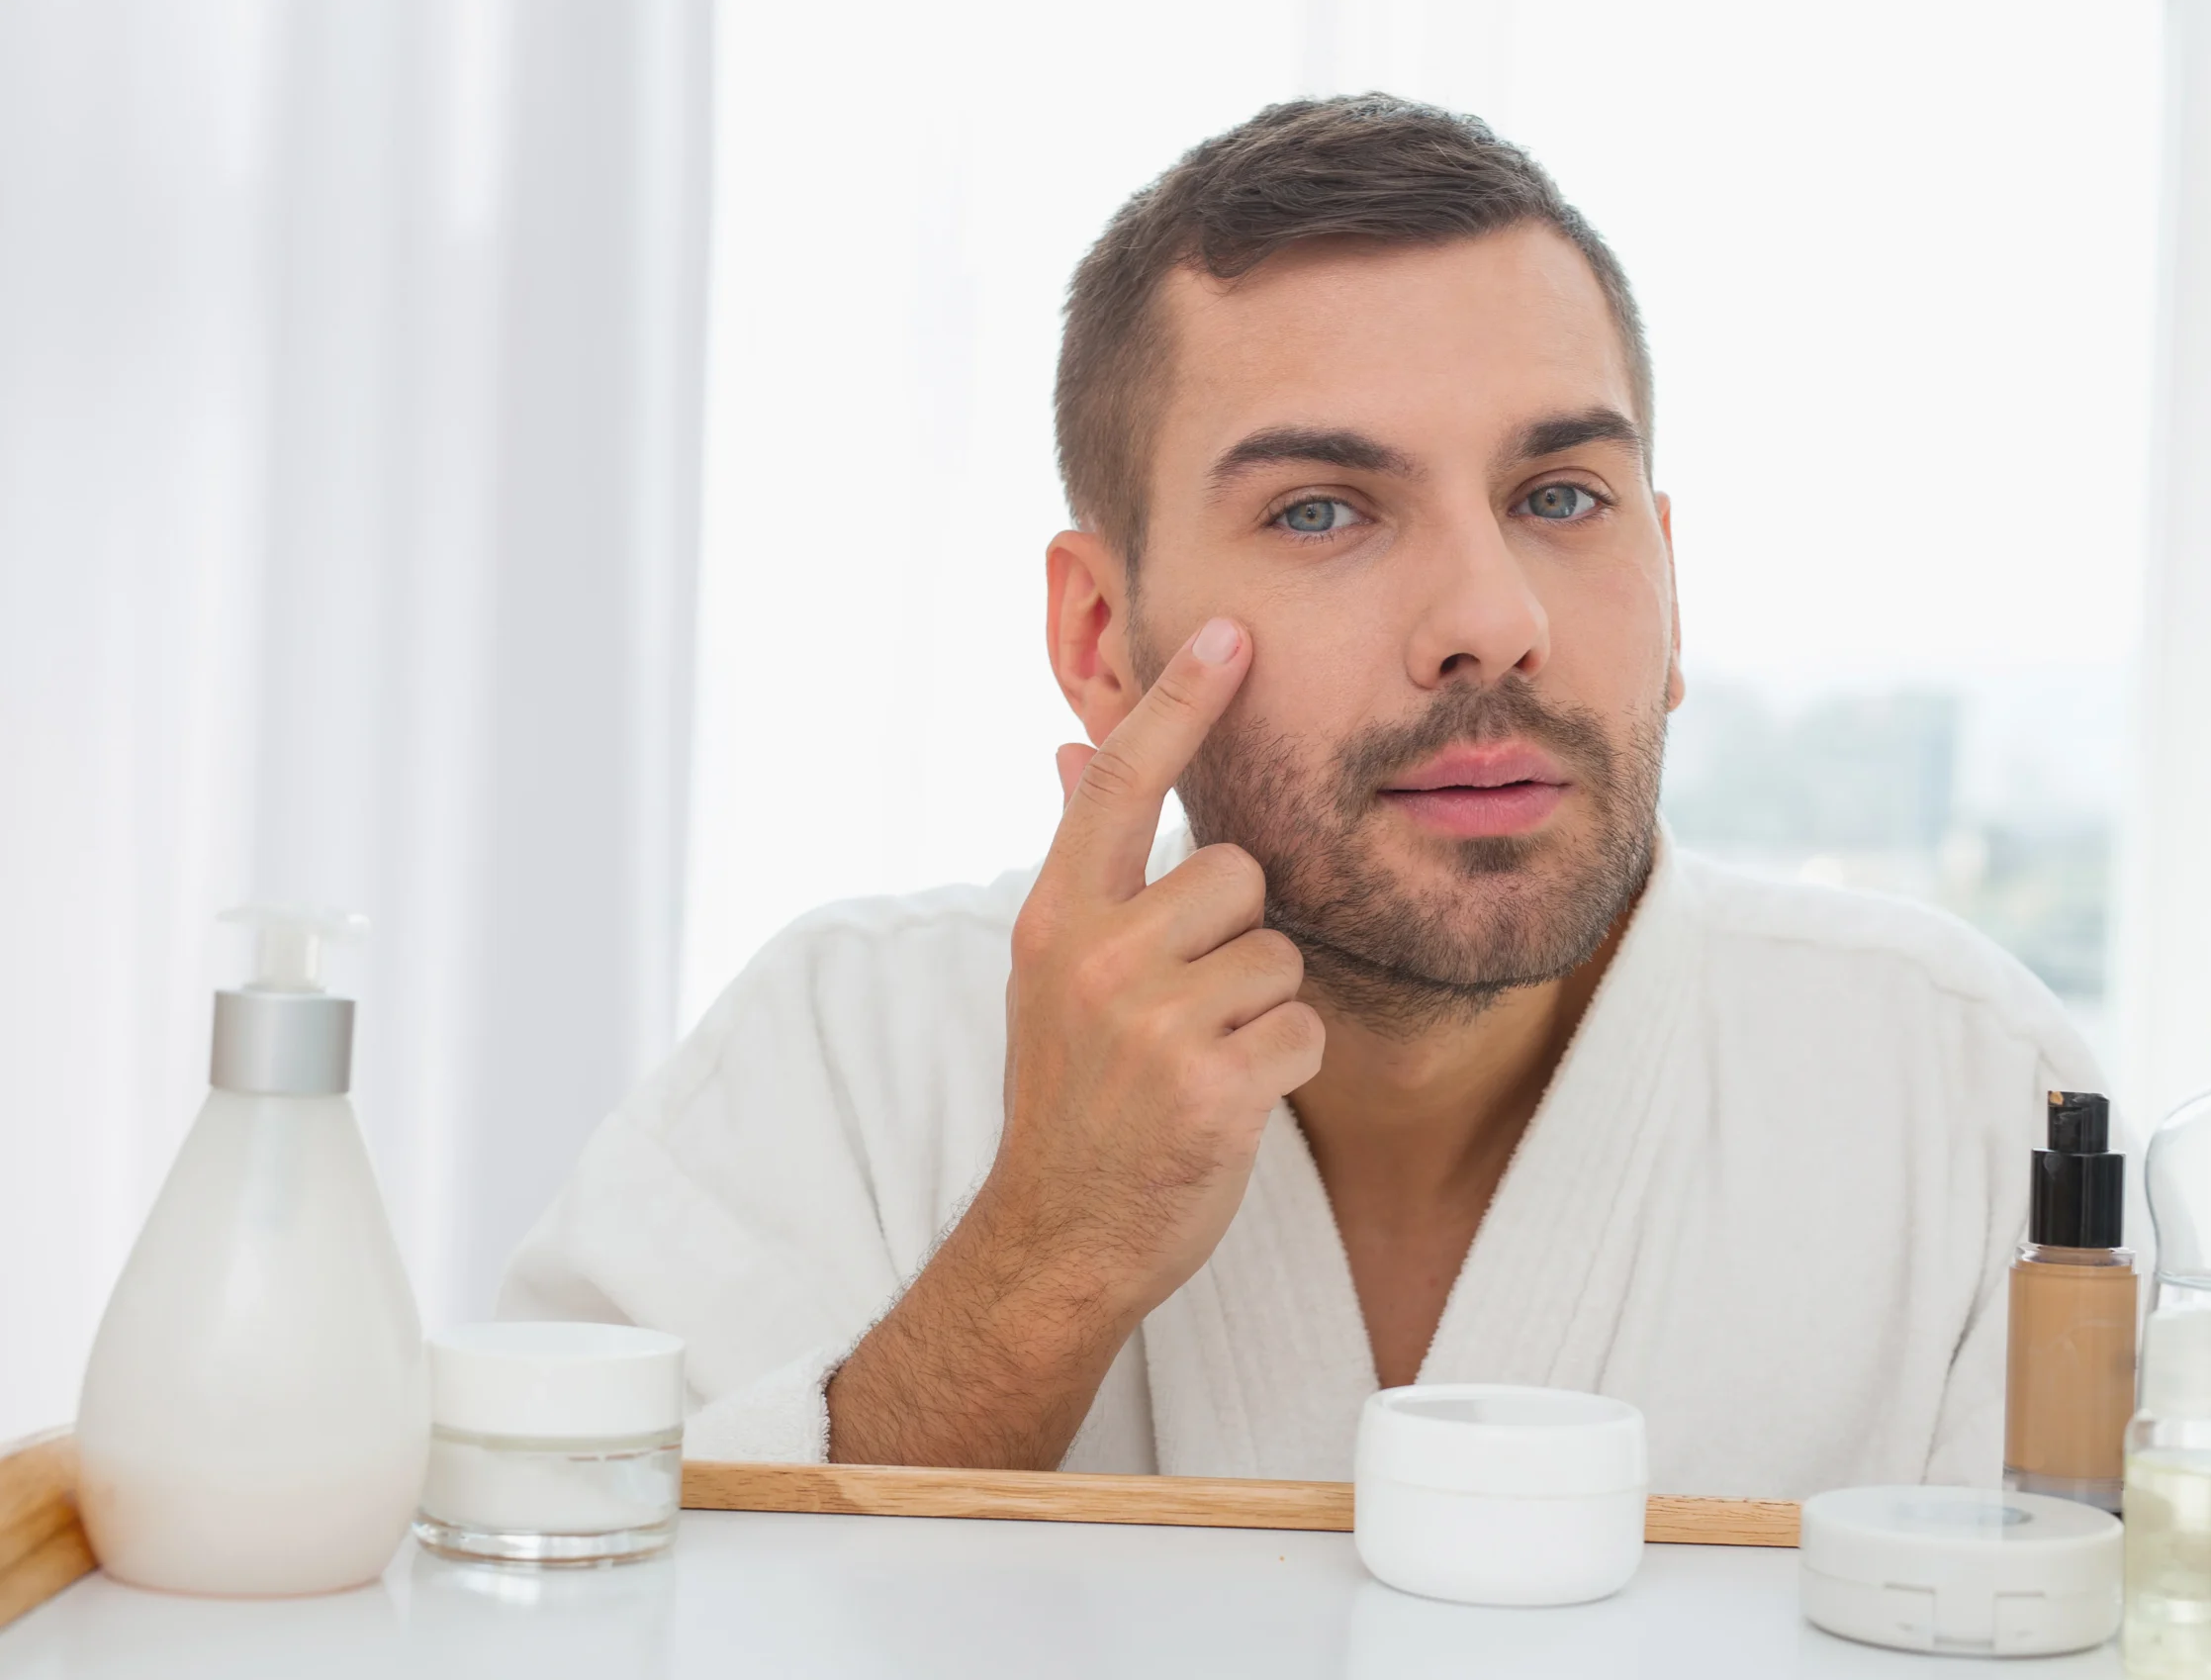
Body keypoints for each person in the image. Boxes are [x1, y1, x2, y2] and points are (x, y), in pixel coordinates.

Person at [501, 95, 2097, 1494]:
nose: (1494, 618)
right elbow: (556, 1599)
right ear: (1100, 638)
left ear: (1669, 585)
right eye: (1324, 511)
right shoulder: (847, 1058)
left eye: (1560, 497)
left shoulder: (1961, 1100)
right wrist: (1047, 1259)